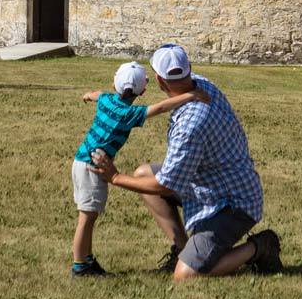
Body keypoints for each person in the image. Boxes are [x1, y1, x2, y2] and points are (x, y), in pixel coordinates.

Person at [89, 44, 282, 281]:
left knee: (186, 275)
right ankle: (182, 250)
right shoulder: (201, 84)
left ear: (160, 82)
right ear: (189, 70)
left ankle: (260, 247)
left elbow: (166, 185)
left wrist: (116, 177)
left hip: (233, 204)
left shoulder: (190, 126)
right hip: (208, 183)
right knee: (142, 174)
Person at [71, 60, 209, 278]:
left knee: (88, 216)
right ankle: (80, 266)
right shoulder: (128, 115)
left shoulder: (106, 100)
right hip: (93, 167)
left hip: (81, 161)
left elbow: (98, 94)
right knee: (86, 219)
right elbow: (161, 107)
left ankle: (86, 260)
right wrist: (191, 95)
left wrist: (88, 95)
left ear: (114, 84)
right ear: (143, 90)